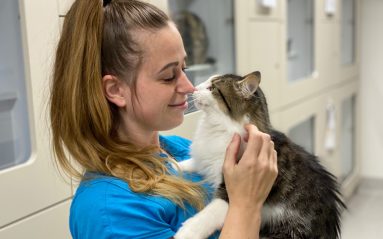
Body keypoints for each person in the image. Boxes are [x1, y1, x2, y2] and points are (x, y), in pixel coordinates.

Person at [50, 0, 278, 238]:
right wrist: (246, 205)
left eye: (184, 69)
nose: (190, 87)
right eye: (169, 76)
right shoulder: (110, 211)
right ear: (116, 90)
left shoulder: (179, 149)